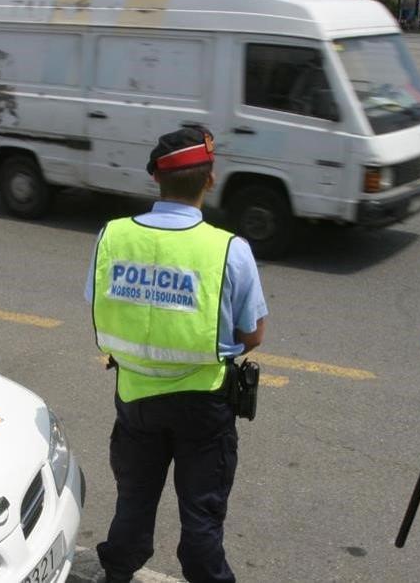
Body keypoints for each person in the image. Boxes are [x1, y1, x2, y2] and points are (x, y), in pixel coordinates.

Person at [85, 127, 269, 583]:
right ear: (211, 180)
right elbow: (254, 333)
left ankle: (117, 574)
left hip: (134, 399)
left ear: (156, 180)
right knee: (202, 519)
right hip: (203, 404)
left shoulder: (112, 236)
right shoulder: (230, 249)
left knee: (133, 503)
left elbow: (97, 302)